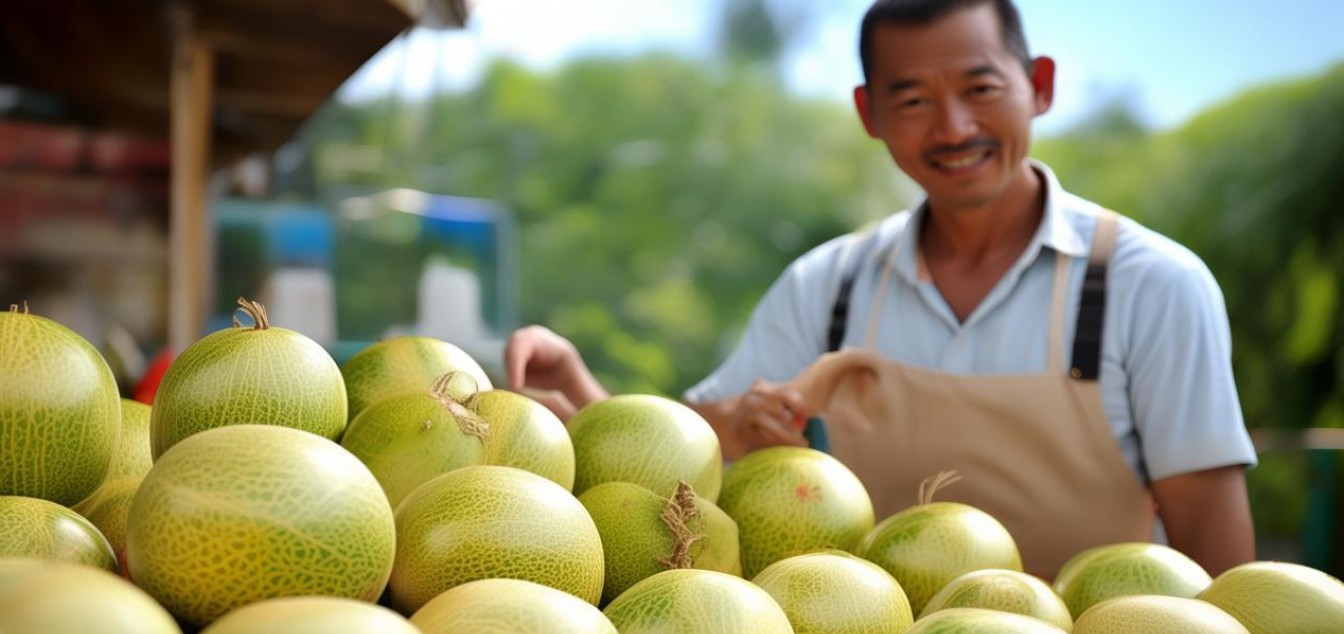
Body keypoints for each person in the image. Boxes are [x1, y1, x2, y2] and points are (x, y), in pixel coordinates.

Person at [505, 0, 1257, 580]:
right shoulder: (827, 286)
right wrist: (579, 386)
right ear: (871, 115)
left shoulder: (1152, 286)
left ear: (1040, 87)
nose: (954, 127)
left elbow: (1220, 565)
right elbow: (682, 469)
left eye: (980, 87)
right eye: (913, 100)